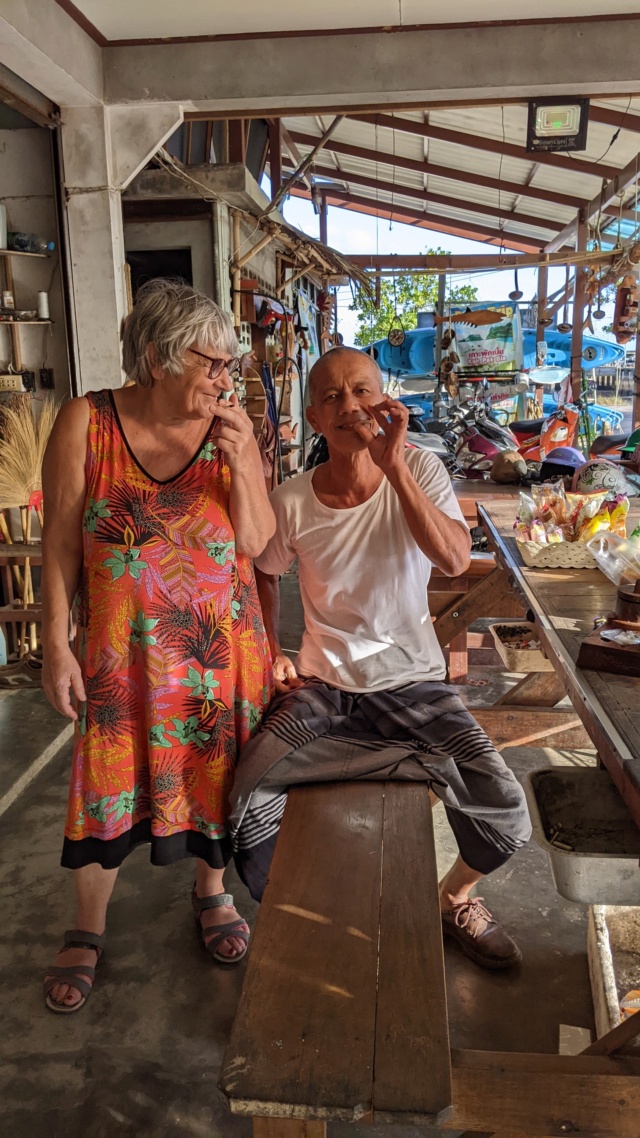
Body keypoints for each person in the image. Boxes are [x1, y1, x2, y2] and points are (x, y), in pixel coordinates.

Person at [229, 346, 531, 971]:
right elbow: (261, 571)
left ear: (386, 396)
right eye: (333, 397)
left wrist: (393, 468)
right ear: (314, 417)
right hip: (322, 688)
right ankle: (313, 913)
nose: (351, 406)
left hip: (414, 685)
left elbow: (452, 560)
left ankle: (453, 897)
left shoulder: (420, 469)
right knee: (247, 794)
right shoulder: (291, 501)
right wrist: (269, 651)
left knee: (505, 804)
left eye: (362, 390)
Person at [42, 279, 275, 1013]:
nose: (224, 380)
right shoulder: (89, 421)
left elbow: (259, 542)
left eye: (230, 366)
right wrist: (56, 638)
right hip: (121, 658)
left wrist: (243, 465)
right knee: (104, 786)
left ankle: (211, 893)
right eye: (212, 364)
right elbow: (58, 542)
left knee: (212, 777)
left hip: (215, 654)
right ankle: (88, 924)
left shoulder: (231, 429)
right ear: (158, 357)